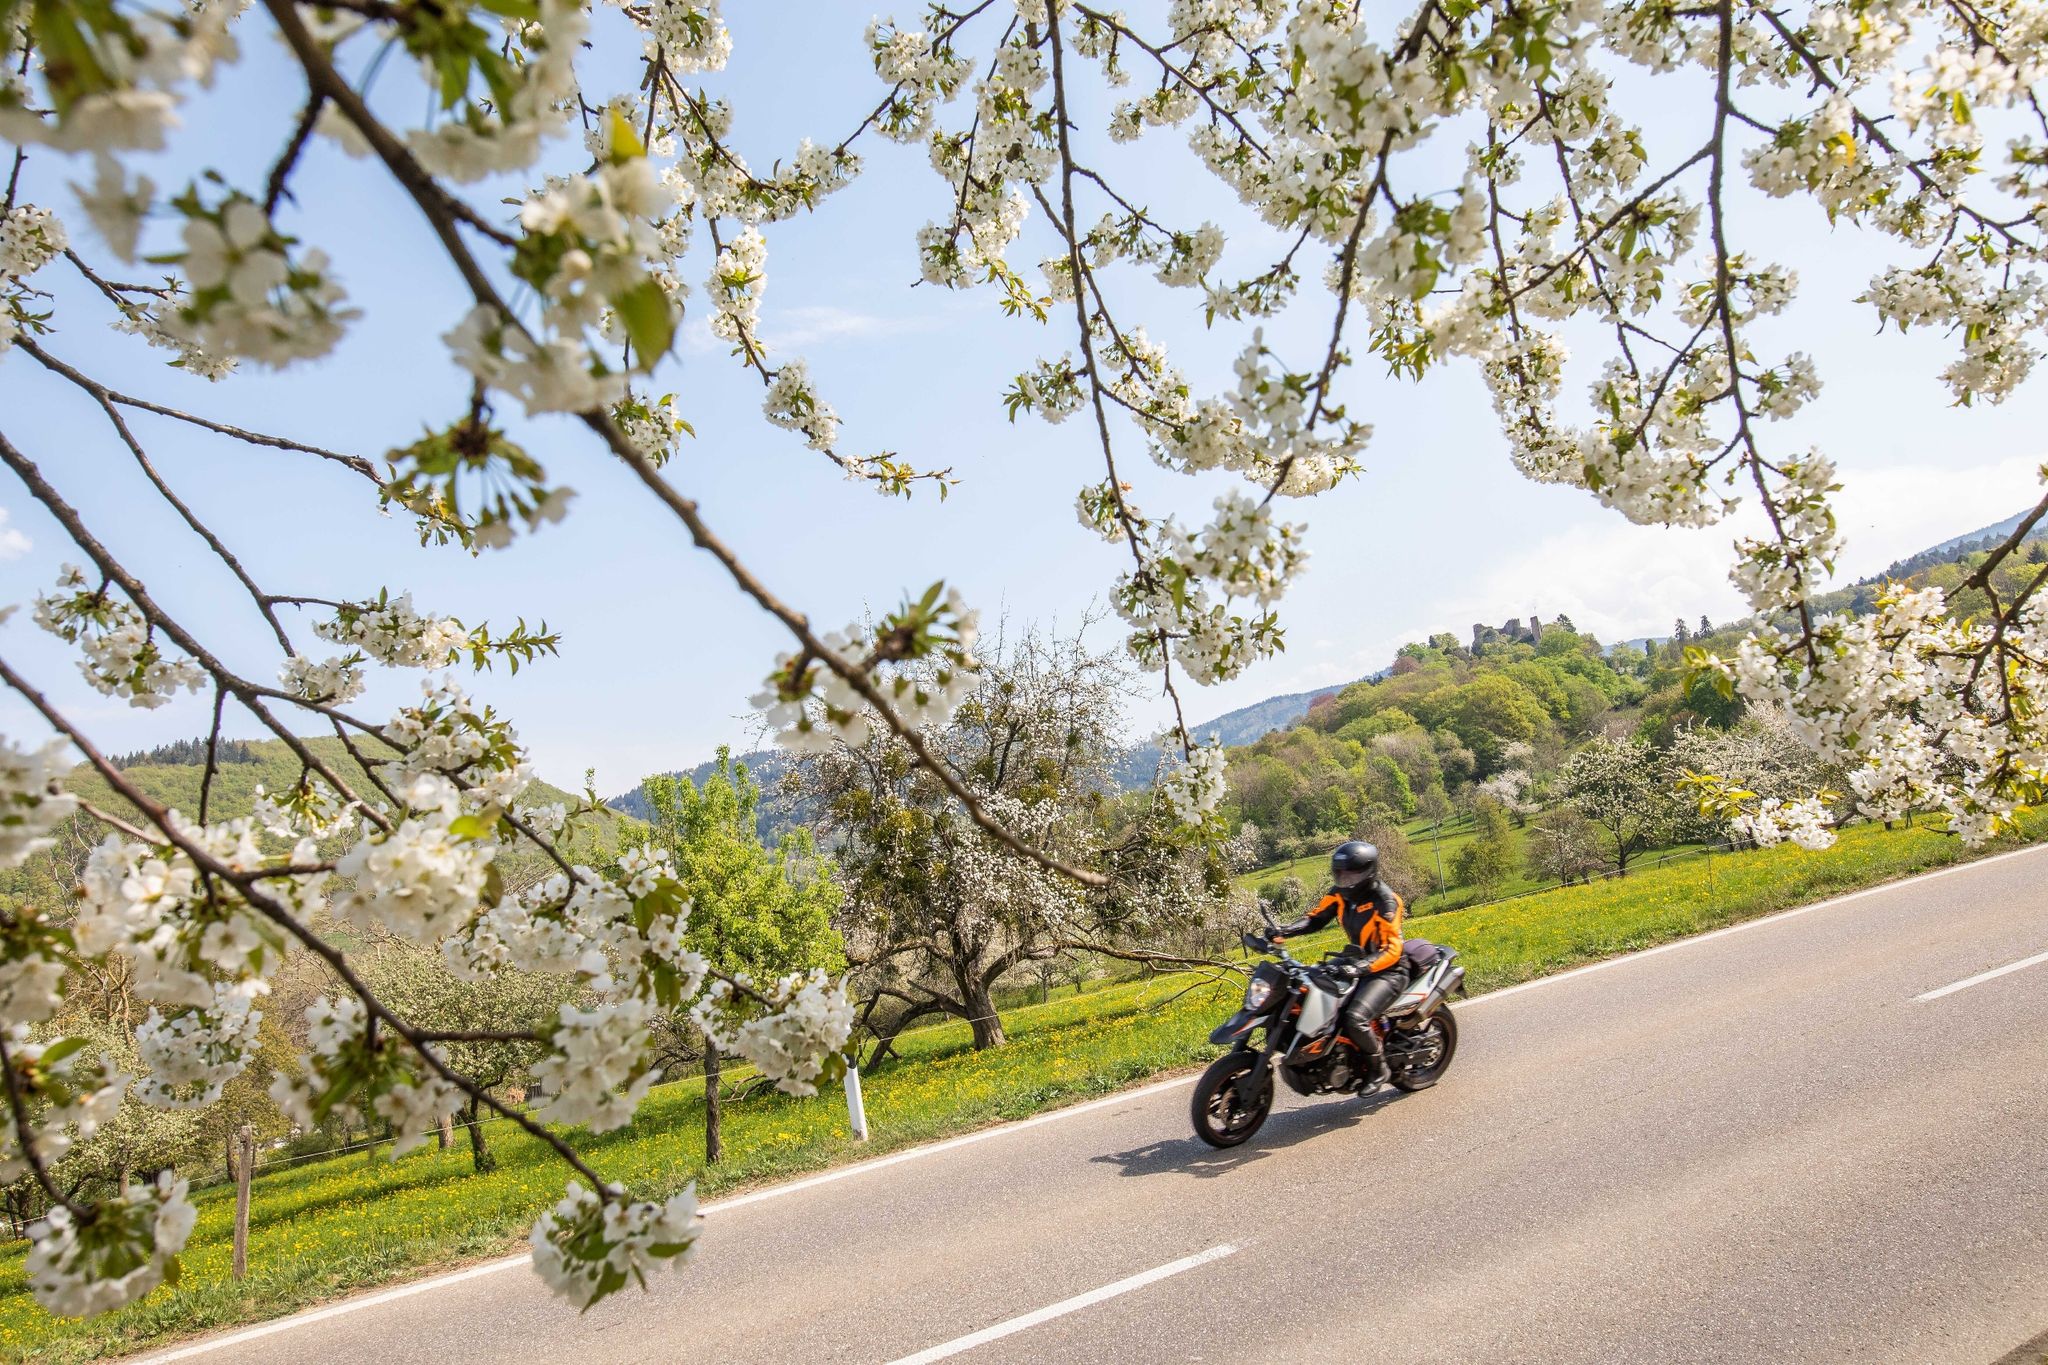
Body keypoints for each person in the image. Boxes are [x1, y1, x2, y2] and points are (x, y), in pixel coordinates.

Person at [1270, 840, 1408, 1085]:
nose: (1344, 879)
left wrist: (1360, 967)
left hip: (1388, 971)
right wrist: (1284, 930)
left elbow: (1392, 949)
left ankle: (1379, 1069)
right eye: (1340, 873)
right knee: (1311, 993)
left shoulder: (1385, 901)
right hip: (1354, 963)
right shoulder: (1340, 894)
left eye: (1350, 874)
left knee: (1354, 1017)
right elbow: (1315, 919)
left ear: (1368, 872)